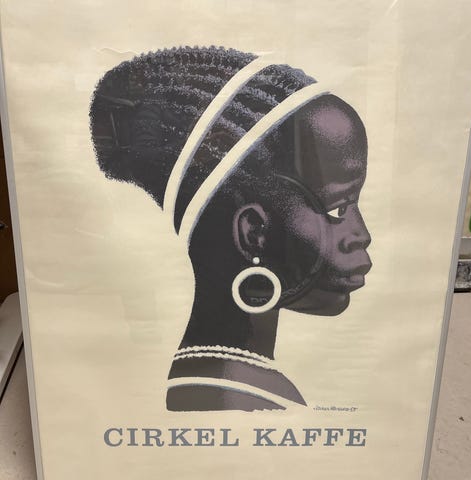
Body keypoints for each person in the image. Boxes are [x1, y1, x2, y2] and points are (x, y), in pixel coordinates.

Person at [90, 46, 371, 412]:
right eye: (339, 207)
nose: (361, 235)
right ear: (253, 231)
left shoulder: (232, 384)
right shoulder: (244, 402)